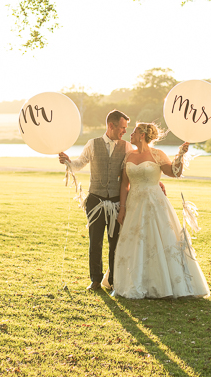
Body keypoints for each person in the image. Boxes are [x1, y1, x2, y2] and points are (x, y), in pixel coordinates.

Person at [113, 122, 210, 299]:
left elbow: (174, 172)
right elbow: (124, 185)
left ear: (142, 134)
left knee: (161, 241)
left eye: (134, 132)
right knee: (136, 242)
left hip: (155, 203)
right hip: (134, 204)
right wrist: (122, 208)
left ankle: (164, 283)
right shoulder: (128, 156)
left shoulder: (158, 154)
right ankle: (135, 281)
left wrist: (180, 155)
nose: (131, 135)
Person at [59, 110, 133, 291]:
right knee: (95, 242)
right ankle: (95, 280)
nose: (125, 131)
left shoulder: (128, 147)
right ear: (111, 125)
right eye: (122, 127)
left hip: (117, 202)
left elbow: (135, 170)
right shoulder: (92, 144)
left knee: (115, 242)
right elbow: (79, 164)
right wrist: (68, 161)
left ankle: (114, 280)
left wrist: (156, 183)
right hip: (95, 201)